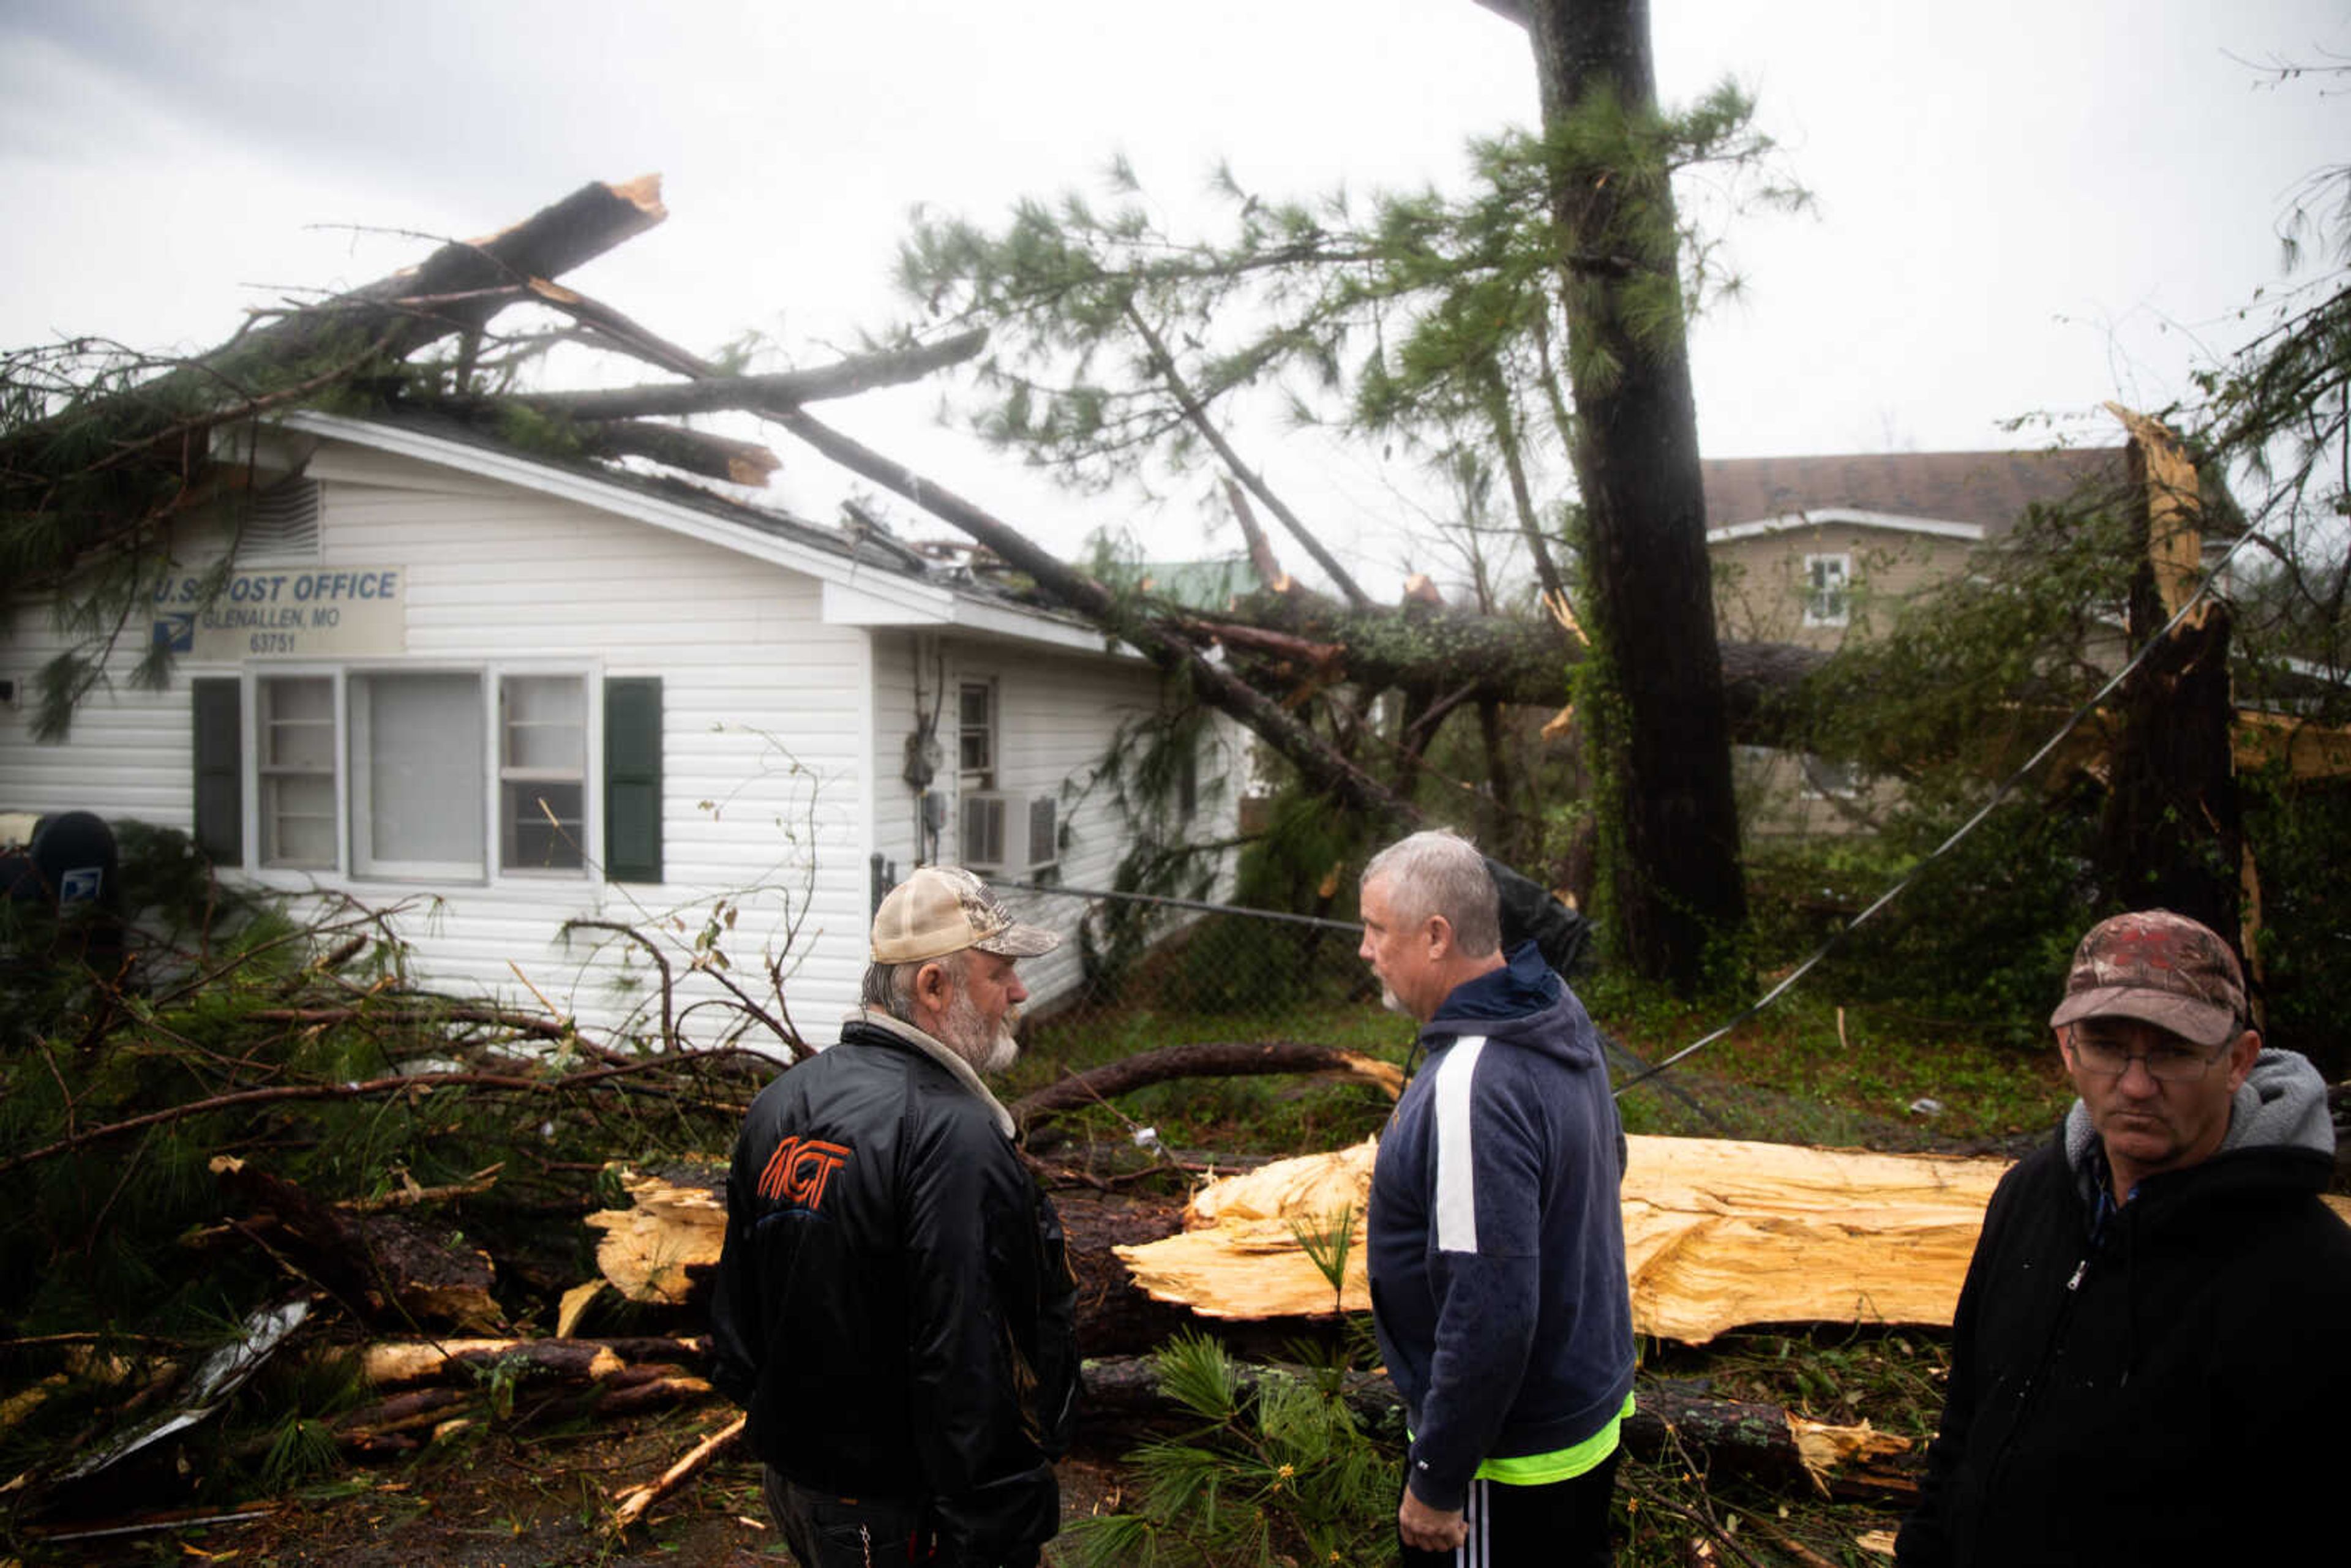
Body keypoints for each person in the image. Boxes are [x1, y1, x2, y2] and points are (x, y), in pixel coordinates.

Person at [1896, 909, 2351, 1566]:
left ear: (2237, 1060)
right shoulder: (2029, 1197)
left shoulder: (2311, 1278)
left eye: (2173, 1051)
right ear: (2068, 1048)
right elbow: (1965, 1426)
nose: (2137, 1085)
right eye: (2109, 1046)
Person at [710, 865, 1079, 1568]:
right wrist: (998, 1527)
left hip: (799, 1489)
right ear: (933, 987)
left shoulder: (781, 1102)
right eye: (999, 972)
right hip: (897, 1512)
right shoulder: (953, 1137)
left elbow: (736, 1329)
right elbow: (972, 1361)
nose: (1020, 991)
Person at [1360, 830, 1636, 1567]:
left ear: (1437, 935)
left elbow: (1489, 1312)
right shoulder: (1550, 1010)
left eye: (1377, 928)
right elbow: (1612, 1159)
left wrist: (1439, 1477)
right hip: (1583, 1412)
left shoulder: (1474, 1083)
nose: (1365, 948)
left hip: (1506, 1457)